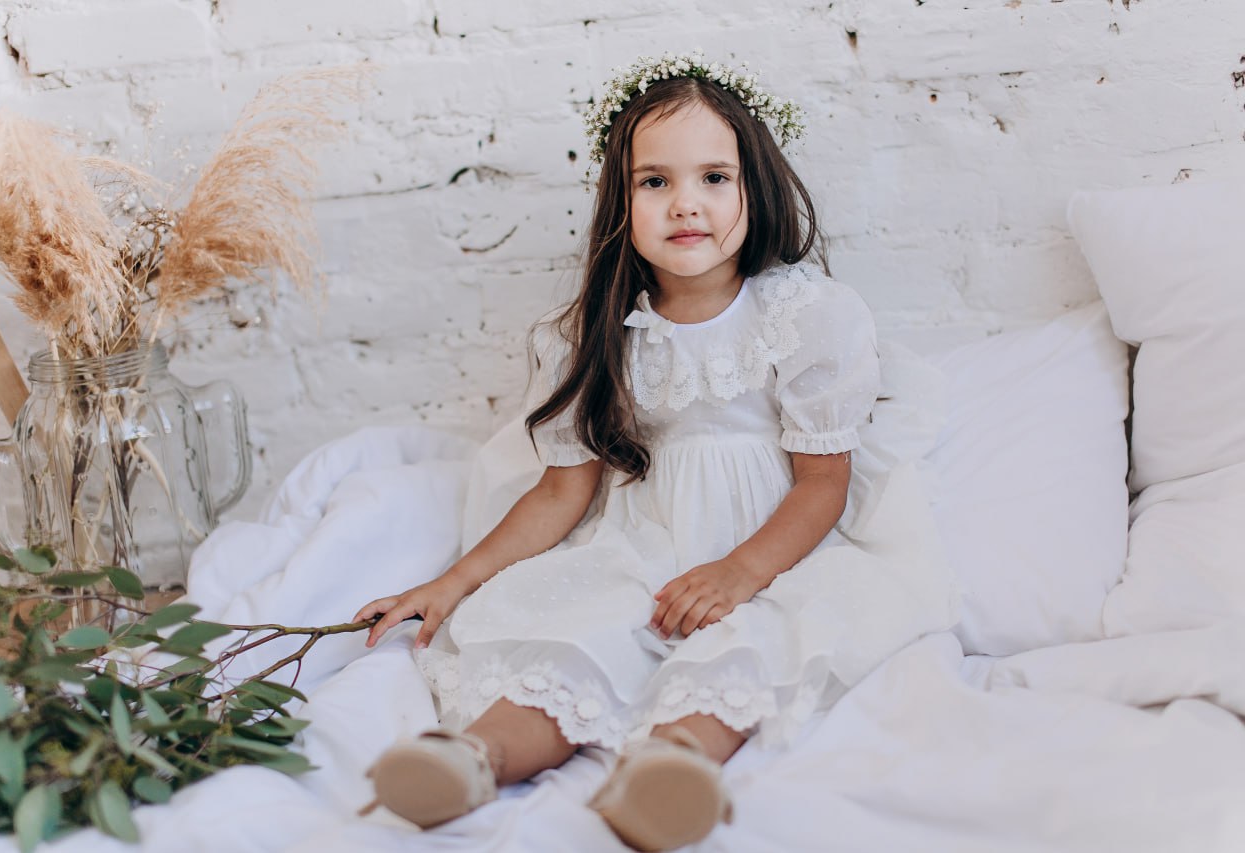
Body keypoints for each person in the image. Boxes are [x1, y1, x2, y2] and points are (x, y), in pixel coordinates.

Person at [354, 51, 952, 852]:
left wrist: (740, 573)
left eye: (713, 177)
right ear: (621, 200)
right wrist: (451, 582)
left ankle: (666, 772)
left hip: (775, 550)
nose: (686, 204)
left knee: (755, 644)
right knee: (578, 633)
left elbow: (822, 484)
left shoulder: (808, 316)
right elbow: (562, 495)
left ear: (754, 187)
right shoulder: (599, 334)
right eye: (655, 182)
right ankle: (471, 758)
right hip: (646, 547)